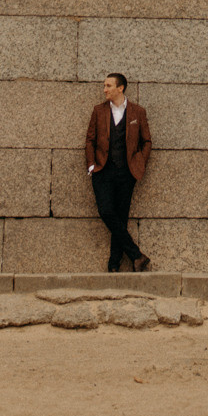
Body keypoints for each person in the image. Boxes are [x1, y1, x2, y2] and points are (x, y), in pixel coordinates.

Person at [83, 72, 151, 273]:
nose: (104, 89)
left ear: (120, 88)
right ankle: (136, 255)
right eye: (104, 86)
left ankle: (114, 265)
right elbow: (90, 140)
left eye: (108, 86)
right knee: (106, 211)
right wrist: (91, 165)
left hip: (127, 173)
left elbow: (146, 141)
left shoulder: (138, 112)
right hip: (103, 171)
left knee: (120, 218)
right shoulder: (98, 111)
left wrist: (139, 162)